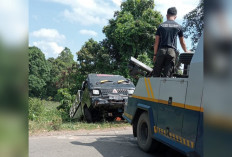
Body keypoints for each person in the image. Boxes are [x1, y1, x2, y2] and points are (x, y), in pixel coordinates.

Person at [153, 7, 190, 77]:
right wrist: (186, 51)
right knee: (167, 76)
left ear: (166, 15)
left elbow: (156, 42)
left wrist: (155, 55)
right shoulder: (178, 26)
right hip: (171, 52)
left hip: (161, 51)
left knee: (156, 74)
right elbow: (182, 42)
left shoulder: (160, 26)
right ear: (175, 16)